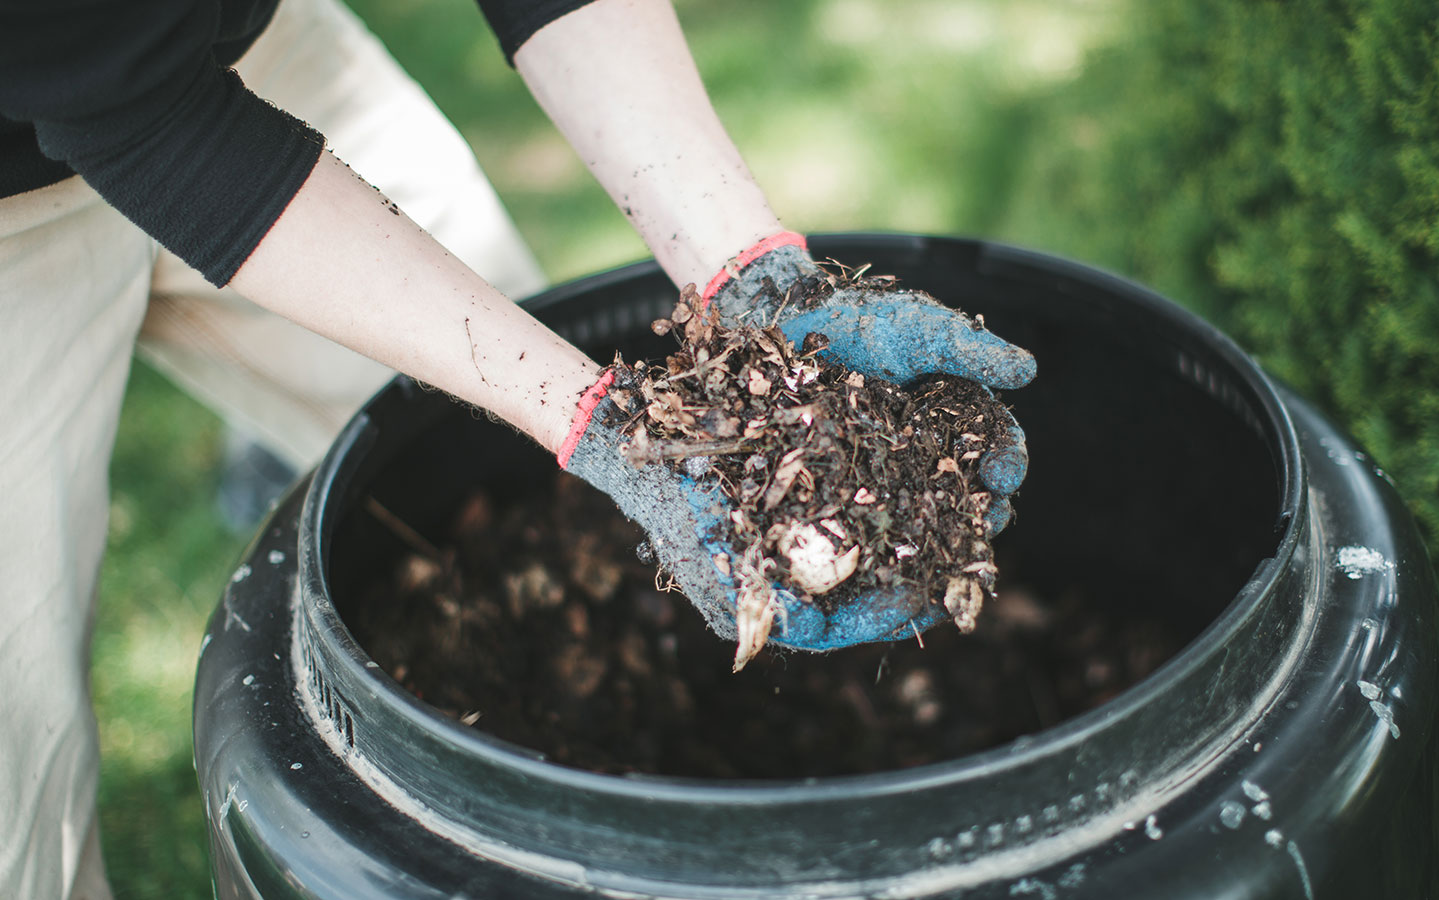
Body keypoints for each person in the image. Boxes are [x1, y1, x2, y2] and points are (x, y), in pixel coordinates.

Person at [0, 0, 1034, 895]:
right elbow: (146, 118)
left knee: (516, 514)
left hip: (218, 55)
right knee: (19, 782)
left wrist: (749, 273)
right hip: (57, 154)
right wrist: (600, 422)